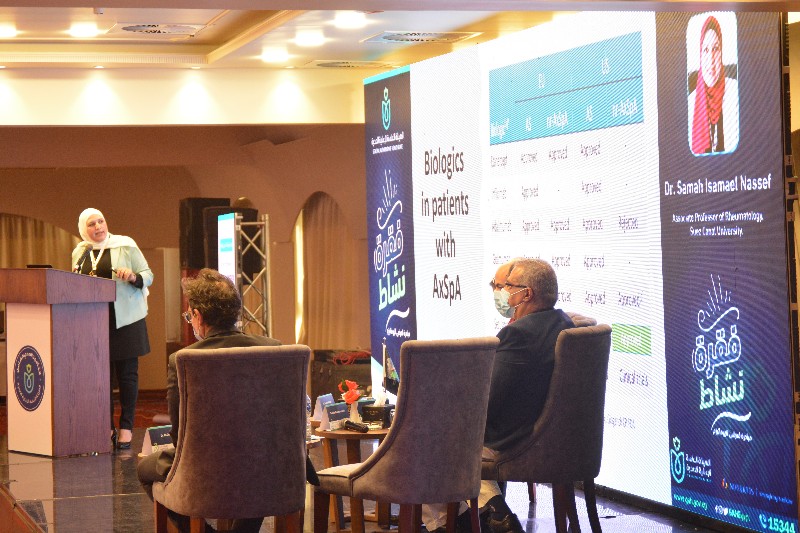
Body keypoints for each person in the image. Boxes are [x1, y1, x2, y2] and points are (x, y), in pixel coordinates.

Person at [137, 268, 318, 533]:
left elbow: (180, 437)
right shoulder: (274, 349)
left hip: (205, 471)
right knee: (256, 468)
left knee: (145, 469)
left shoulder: (183, 360)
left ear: (198, 316)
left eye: (189, 316)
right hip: (273, 468)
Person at [423, 259, 574, 533]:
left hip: (513, 438)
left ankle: (484, 518)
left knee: (428, 439)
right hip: (547, 435)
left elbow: (487, 401)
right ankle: (481, 515)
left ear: (526, 294)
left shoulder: (519, 334)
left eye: (508, 286)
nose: (502, 292)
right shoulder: (564, 323)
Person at [72, 208, 153, 450]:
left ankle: (126, 427)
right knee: (101, 379)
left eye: (101, 221)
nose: (98, 226)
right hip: (94, 322)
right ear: (83, 229)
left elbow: (148, 275)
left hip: (126, 319)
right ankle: (105, 427)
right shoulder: (80, 252)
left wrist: (133, 277)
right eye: (91, 224)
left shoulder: (125, 245)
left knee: (127, 376)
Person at [688, 14, 739, 155]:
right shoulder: (690, 103)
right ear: (700, 54)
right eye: (705, 50)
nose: (711, 59)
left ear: (721, 52)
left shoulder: (736, 91)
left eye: (715, 49)